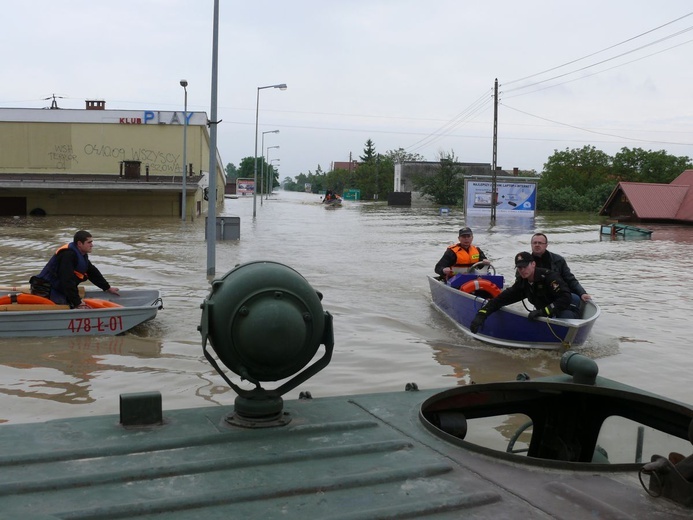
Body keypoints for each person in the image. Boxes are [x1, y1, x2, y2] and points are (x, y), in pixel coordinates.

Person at [469, 251, 580, 334]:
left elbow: (565, 298)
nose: (522, 270)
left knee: (565, 322)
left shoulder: (549, 277)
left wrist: (543, 312)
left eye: (524, 266)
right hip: (546, 313)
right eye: (519, 268)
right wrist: (481, 315)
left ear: (533, 264)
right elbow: (500, 300)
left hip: (567, 308)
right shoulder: (523, 283)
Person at [30, 230, 120, 309]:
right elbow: (67, 279)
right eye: (89, 242)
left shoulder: (81, 254)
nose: (92, 245)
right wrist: (78, 302)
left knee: (73, 299)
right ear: (80, 244)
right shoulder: (68, 255)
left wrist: (107, 287)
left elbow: (92, 272)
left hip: (59, 287)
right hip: (46, 289)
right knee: (69, 304)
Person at [530, 233, 591, 302]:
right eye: (535, 243)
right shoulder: (525, 263)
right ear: (531, 245)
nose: (537, 245)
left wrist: (582, 293)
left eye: (540, 243)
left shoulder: (558, 260)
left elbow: (570, 279)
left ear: (546, 245)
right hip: (538, 297)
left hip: (558, 295)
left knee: (575, 299)